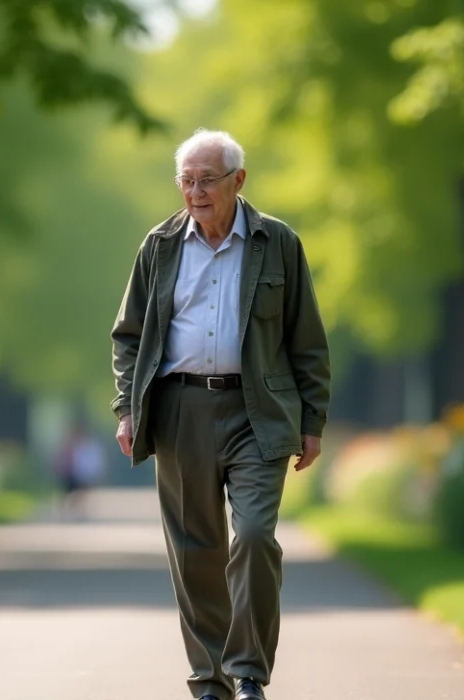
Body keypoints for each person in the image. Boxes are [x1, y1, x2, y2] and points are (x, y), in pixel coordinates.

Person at [109, 129, 331, 700]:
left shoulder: (277, 242)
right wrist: (127, 409)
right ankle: (210, 679)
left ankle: (249, 671)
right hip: (178, 406)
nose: (196, 191)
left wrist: (313, 421)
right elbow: (129, 336)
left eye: (208, 179)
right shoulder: (158, 246)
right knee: (195, 549)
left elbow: (307, 338)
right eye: (187, 180)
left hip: (259, 410)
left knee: (255, 535)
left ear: (239, 180)